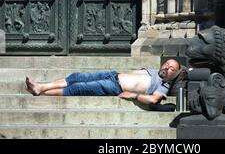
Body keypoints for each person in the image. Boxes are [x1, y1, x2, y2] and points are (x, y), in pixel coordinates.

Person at [25, 59, 181, 106]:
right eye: (166, 64)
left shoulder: (164, 85)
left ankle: (41, 92)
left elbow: (154, 99)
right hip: (112, 75)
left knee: (78, 87)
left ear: (174, 74)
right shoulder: (154, 71)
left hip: (115, 86)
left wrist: (133, 95)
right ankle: (41, 87)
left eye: (171, 68)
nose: (167, 67)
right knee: (76, 77)